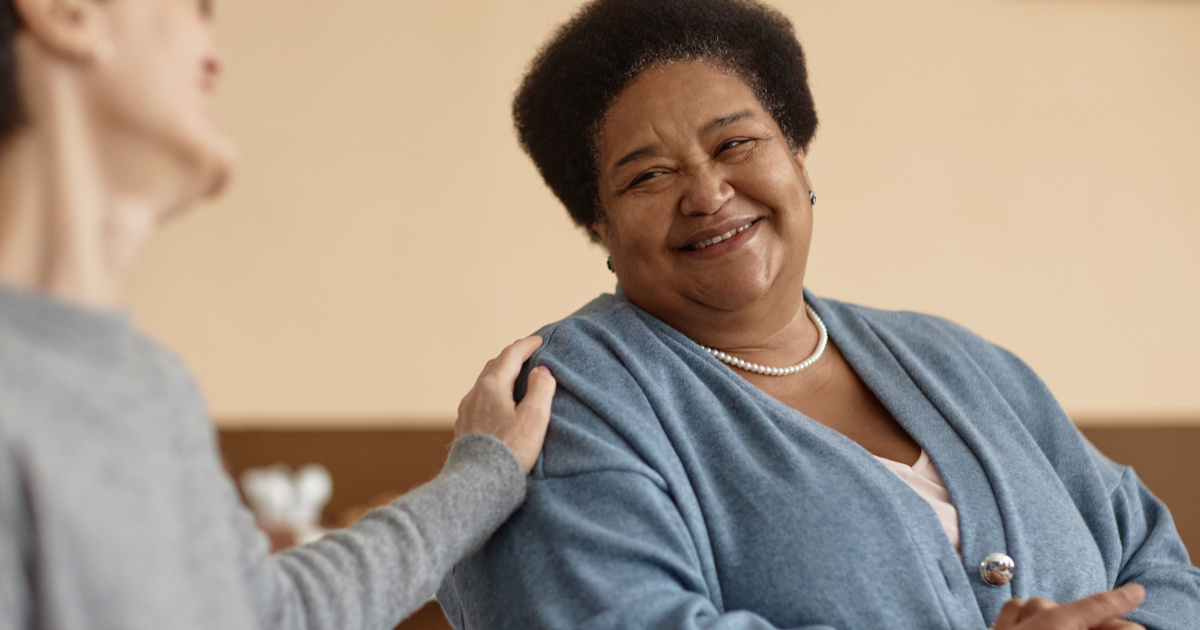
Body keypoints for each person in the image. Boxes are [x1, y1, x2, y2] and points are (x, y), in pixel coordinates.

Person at [436, 1, 1200, 629]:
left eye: (736, 142)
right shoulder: (569, 400)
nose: (706, 194)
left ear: (798, 159)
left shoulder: (958, 360)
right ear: (598, 225)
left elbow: (1158, 566)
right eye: (650, 175)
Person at [0, 0, 556, 628]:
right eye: (196, 7)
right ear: (65, 12)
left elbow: (270, 612)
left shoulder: (155, 388)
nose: (219, 53)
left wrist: (484, 474)